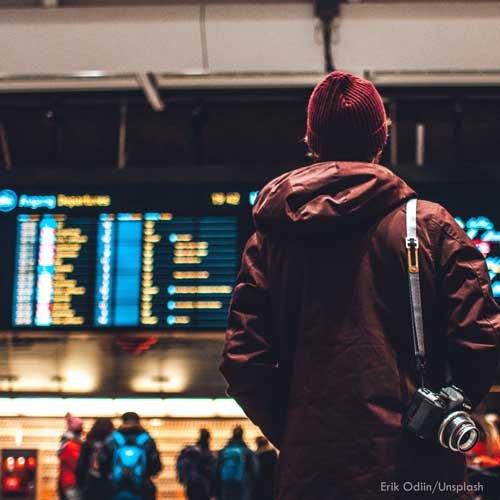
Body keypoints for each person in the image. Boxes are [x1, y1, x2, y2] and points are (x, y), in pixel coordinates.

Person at [220, 71, 500, 500]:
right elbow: (481, 336)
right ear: (381, 138)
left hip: (311, 480)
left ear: (311, 140)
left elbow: (244, 362)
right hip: (417, 475)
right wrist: (441, 410)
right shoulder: (428, 226)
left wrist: (300, 435)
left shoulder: (270, 241)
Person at [99, 412, 162, 500]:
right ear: (138, 421)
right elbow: (156, 467)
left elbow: (102, 464)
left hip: (116, 489)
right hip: (141, 489)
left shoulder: (113, 439)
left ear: (123, 421)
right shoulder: (147, 440)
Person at [76, 418, 115, 500]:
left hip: (91, 483)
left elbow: (81, 466)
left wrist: (80, 484)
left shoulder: (88, 444)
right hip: (109, 483)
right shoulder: (112, 444)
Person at [215, 426, 258, 500]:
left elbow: (217, 469)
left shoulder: (224, 451)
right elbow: (255, 469)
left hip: (226, 481)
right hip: (242, 482)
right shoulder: (247, 452)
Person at [176, 428, 216, 500]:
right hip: (204, 487)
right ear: (208, 439)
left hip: (191, 485)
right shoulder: (207, 454)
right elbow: (211, 473)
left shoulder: (189, 451)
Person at [58, 413, 83, 500]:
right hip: (71, 482)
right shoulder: (71, 446)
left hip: (67, 481)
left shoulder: (66, 444)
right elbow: (76, 465)